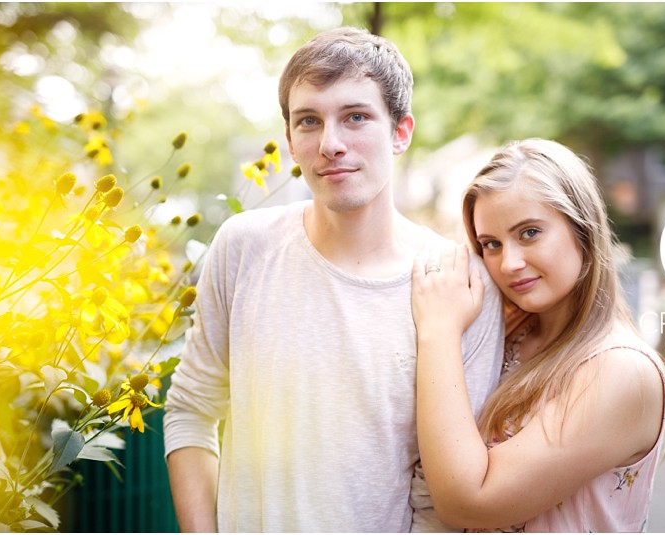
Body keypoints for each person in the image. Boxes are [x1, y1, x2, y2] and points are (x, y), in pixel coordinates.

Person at [162, 27, 504, 532]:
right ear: (289, 142)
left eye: (356, 117)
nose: (330, 144)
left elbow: (446, 496)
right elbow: (191, 409)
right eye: (308, 121)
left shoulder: (458, 282)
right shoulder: (243, 247)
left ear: (400, 132)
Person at [409, 139, 665, 531]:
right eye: (491, 244)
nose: (509, 263)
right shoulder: (510, 335)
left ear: (582, 229)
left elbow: (469, 504)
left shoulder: (621, 370)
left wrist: (439, 330)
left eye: (529, 233)